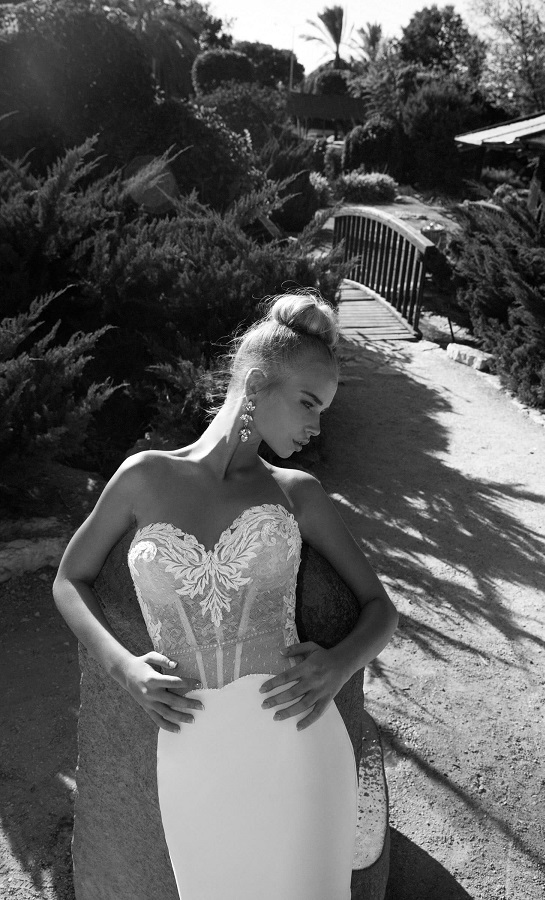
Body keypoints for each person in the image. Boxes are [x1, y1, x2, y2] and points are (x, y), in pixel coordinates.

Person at [53, 291, 399, 900]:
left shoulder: (297, 492)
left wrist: (339, 664)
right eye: (309, 403)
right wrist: (125, 669)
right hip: (192, 754)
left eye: (324, 410)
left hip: (299, 746)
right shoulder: (144, 476)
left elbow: (381, 609)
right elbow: (68, 580)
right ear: (257, 384)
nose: (317, 426)